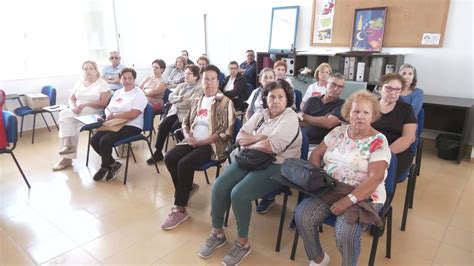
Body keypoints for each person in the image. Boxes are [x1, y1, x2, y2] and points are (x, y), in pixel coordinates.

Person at [197, 80, 302, 266]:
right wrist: (260, 138)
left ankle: (242, 243)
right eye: (272, 97)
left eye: (280, 97)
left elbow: (272, 146)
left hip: (278, 165)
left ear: (288, 99)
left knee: (239, 194)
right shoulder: (262, 114)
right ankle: (217, 233)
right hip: (251, 157)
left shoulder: (290, 118)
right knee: (219, 187)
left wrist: (253, 141)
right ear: (266, 99)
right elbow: (239, 137)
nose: (276, 101)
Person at [295, 90, 391, 266]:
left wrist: (348, 200)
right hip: (331, 187)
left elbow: (375, 178)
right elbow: (316, 154)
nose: (360, 116)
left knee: (345, 233)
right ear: (348, 113)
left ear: (373, 115)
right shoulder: (338, 132)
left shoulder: (379, 141)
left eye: (365, 112)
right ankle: (318, 258)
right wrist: (318, 179)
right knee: (302, 215)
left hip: (364, 195)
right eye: (356, 111)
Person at [256, 73, 346, 213]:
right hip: (299, 141)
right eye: (333, 84)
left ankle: (301, 208)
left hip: (321, 148)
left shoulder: (342, 105)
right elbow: (298, 120)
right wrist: (315, 119)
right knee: (274, 159)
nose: (335, 89)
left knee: (308, 173)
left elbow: (328, 124)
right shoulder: (312, 100)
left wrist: (307, 117)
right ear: (326, 83)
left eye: (340, 87)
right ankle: (269, 196)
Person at [161, 65, 235, 230]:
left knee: (184, 164)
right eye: (205, 79)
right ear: (201, 81)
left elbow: (227, 131)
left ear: (218, 81)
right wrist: (187, 135)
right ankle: (187, 188)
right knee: (170, 158)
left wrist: (203, 142)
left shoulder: (225, 102)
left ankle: (180, 209)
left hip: (212, 145)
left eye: (212, 79)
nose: (208, 83)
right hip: (192, 140)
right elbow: (186, 122)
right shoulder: (198, 99)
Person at [90, 68, 148, 182]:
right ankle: (113, 164)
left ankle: (104, 166)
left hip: (132, 125)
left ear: (134, 79)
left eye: (130, 78)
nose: (127, 80)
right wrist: (109, 114)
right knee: (94, 140)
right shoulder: (118, 92)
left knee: (105, 141)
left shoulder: (138, 93)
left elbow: (133, 114)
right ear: (120, 79)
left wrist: (115, 115)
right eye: (124, 78)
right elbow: (108, 109)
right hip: (114, 123)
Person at [53, 61, 111, 171]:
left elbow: (103, 102)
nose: (88, 71)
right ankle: (67, 145)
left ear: (96, 70)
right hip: (77, 110)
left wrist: (86, 104)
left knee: (69, 122)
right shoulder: (80, 82)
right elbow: (71, 98)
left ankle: (66, 157)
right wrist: (73, 106)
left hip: (93, 112)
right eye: (85, 69)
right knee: (65, 114)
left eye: (90, 68)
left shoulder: (102, 83)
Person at [147, 64, 203, 164]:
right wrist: (180, 99)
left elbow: (190, 103)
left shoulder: (199, 88)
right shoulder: (181, 85)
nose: (186, 75)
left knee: (176, 129)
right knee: (163, 125)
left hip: (187, 115)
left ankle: (187, 150)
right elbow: (170, 97)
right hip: (175, 111)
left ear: (196, 76)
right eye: (185, 73)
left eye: (189, 74)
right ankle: (158, 152)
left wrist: (176, 101)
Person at [372, 73, 417, 178]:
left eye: (397, 89)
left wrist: (384, 154)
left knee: (381, 175)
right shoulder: (370, 105)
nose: (393, 92)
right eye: (388, 88)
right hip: (370, 146)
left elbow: (408, 137)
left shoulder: (406, 109)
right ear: (379, 88)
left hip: (396, 150)